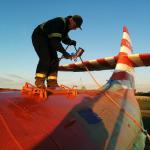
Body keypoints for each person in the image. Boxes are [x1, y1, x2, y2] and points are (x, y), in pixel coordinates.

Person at [32, 15, 83, 88]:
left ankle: (52, 83)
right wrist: (65, 53)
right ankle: (39, 81)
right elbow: (55, 42)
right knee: (46, 57)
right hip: (39, 35)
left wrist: (71, 42)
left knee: (55, 59)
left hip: (49, 39)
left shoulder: (66, 28)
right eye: (75, 26)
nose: (75, 29)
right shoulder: (59, 22)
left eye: (76, 27)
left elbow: (64, 39)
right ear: (71, 20)